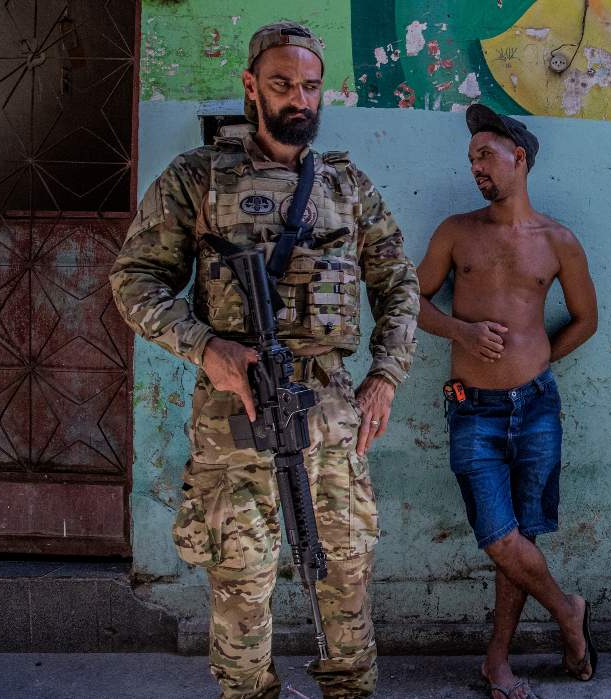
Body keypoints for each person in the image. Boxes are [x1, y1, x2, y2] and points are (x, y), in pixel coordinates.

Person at [109, 21, 420, 698]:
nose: (298, 98)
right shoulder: (199, 177)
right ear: (252, 86)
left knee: (343, 575)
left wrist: (385, 375)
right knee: (243, 586)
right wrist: (204, 346)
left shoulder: (348, 185)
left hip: (333, 417)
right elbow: (134, 279)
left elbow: (399, 283)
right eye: (282, 84)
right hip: (235, 414)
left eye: (310, 85)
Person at [414, 104, 600, 699]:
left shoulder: (559, 241)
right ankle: (569, 612)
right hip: (473, 408)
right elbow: (409, 302)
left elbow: (585, 320)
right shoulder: (455, 232)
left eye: (485, 157)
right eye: (471, 160)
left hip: (537, 407)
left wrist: (539, 359)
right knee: (500, 537)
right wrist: (460, 333)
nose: (476, 169)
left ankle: (498, 662)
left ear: (519, 159)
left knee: (522, 542)